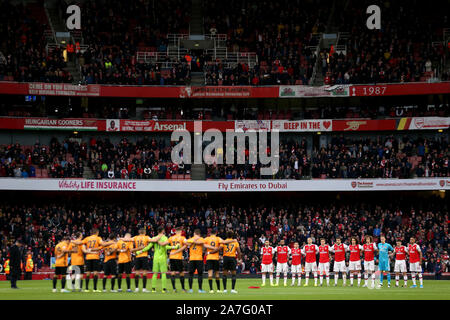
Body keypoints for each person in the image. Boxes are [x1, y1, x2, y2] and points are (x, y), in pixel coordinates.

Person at [137, 226, 179, 293]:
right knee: (163, 273)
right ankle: (163, 289)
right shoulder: (165, 238)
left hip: (156, 258)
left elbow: (148, 247)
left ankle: (153, 289)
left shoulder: (154, 238)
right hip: (162, 257)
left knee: (155, 274)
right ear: (162, 231)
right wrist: (174, 247)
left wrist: (140, 251)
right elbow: (166, 247)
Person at [72, 228, 114, 292]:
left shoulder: (87, 238)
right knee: (95, 273)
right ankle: (95, 289)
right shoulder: (98, 238)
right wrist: (111, 242)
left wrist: (72, 241)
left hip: (88, 257)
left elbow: (79, 242)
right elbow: (103, 244)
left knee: (88, 273)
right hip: (95, 257)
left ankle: (86, 289)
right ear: (97, 232)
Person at [185, 229, 206, 293]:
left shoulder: (190, 239)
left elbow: (186, 243)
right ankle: (200, 289)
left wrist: (193, 241)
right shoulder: (201, 239)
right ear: (199, 234)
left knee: (190, 274)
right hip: (199, 259)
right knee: (200, 274)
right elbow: (201, 243)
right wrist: (196, 239)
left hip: (192, 259)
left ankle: (190, 289)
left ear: (194, 233)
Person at [168, 227, 187, 292]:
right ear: (181, 232)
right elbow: (186, 244)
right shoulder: (182, 238)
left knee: (172, 272)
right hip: (178, 257)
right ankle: (183, 288)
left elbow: (165, 244)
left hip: (171, 257)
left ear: (175, 232)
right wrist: (179, 250)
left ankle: (174, 289)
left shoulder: (171, 238)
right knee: (181, 273)